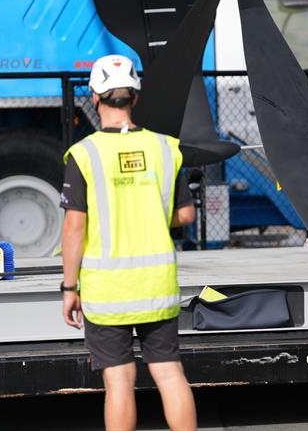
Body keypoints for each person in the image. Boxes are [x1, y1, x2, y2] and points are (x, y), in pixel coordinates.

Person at [60, 54, 197, 431]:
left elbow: (75, 227)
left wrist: (70, 288)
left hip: (108, 294)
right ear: (135, 97)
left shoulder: (85, 154)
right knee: (170, 375)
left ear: (94, 96)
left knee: (119, 383)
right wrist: (151, 208)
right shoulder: (165, 148)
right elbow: (185, 215)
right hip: (157, 287)